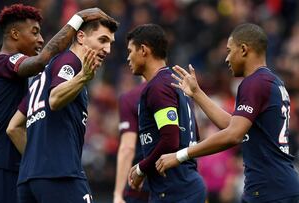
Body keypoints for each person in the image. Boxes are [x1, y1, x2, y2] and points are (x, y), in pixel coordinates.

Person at [0, 4, 109, 203]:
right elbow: (41, 61)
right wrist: (77, 18)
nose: (41, 39)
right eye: (35, 32)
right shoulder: (9, 61)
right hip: (0, 167)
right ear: (15, 34)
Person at [156, 23, 299, 203]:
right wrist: (197, 93)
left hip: (269, 189)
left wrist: (180, 155)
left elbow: (233, 135)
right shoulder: (272, 81)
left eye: (229, 51)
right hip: (278, 185)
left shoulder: (254, 83)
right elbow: (233, 126)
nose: (226, 59)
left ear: (244, 50)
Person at [6, 17, 118, 202]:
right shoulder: (71, 61)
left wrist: (38, 162)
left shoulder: (43, 78)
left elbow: (13, 127)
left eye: (110, 43)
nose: (107, 49)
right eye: (102, 40)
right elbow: (55, 99)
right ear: (81, 37)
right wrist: (83, 77)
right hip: (60, 175)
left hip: (29, 180)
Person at [126, 24, 205, 202]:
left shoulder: (158, 87)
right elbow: (193, 135)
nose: (128, 57)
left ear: (144, 50)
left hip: (174, 189)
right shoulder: (175, 83)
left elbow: (170, 139)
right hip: (187, 183)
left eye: (130, 51)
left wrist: (141, 169)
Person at [113, 81, 150, 203]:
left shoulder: (132, 97)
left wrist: (118, 194)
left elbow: (127, 148)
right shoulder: (181, 91)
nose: (129, 60)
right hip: (180, 185)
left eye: (130, 59)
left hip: (141, 187)